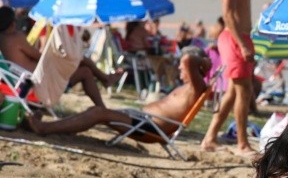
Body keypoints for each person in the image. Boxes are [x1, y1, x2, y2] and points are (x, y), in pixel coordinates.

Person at [23, 47, 211, 137]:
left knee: (98, 113)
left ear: (196, 69)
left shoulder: (196, 87)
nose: (179, 69)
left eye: (182, 68)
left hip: (150, 128)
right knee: (95, 112)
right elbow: (187, 61)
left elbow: (187, 59)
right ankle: (60, 126)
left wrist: (203, 62)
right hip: (143, 120)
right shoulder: (190, 86)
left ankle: (45, 128)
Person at [201, 0, 262, 156]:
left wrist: (248, 41)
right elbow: (227, 14)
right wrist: (241, 44)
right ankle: (242, 144)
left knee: (233, 92)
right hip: (233, 38)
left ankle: (209, 138)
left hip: (242, 37)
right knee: (244, 90)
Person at [0, 6, 121, 109]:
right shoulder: (16, 37)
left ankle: (105, 84)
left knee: (82, 62)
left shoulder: (3, 39)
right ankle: (103, 104)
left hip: (20, 79)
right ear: (12, 22)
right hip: (39, 81)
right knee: (85, 70)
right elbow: (38, 57)